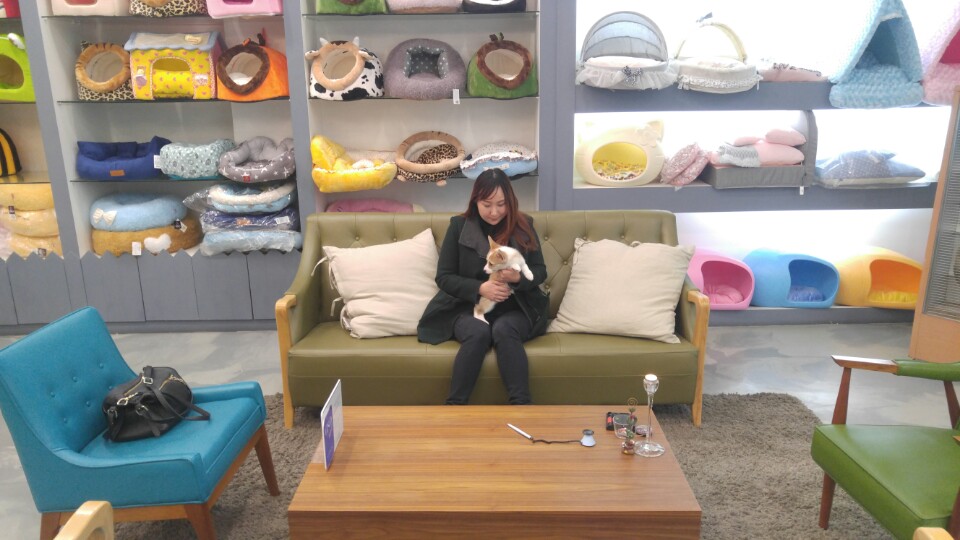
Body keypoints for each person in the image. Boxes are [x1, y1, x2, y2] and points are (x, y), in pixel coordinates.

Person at [418, 168, 549, 405]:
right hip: (467, 307)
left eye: (501, 204)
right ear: (475, 200)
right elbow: (444, 277)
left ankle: (522, 407)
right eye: (487, 204)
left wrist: (517, 279)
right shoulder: (458, 226)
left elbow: (539, 271)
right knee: (478, 332)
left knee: (504, 329)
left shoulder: (524, 225)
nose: (494, 212)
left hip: (517, 308)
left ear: (510, 201)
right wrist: (480, 288)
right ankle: (455, 407)